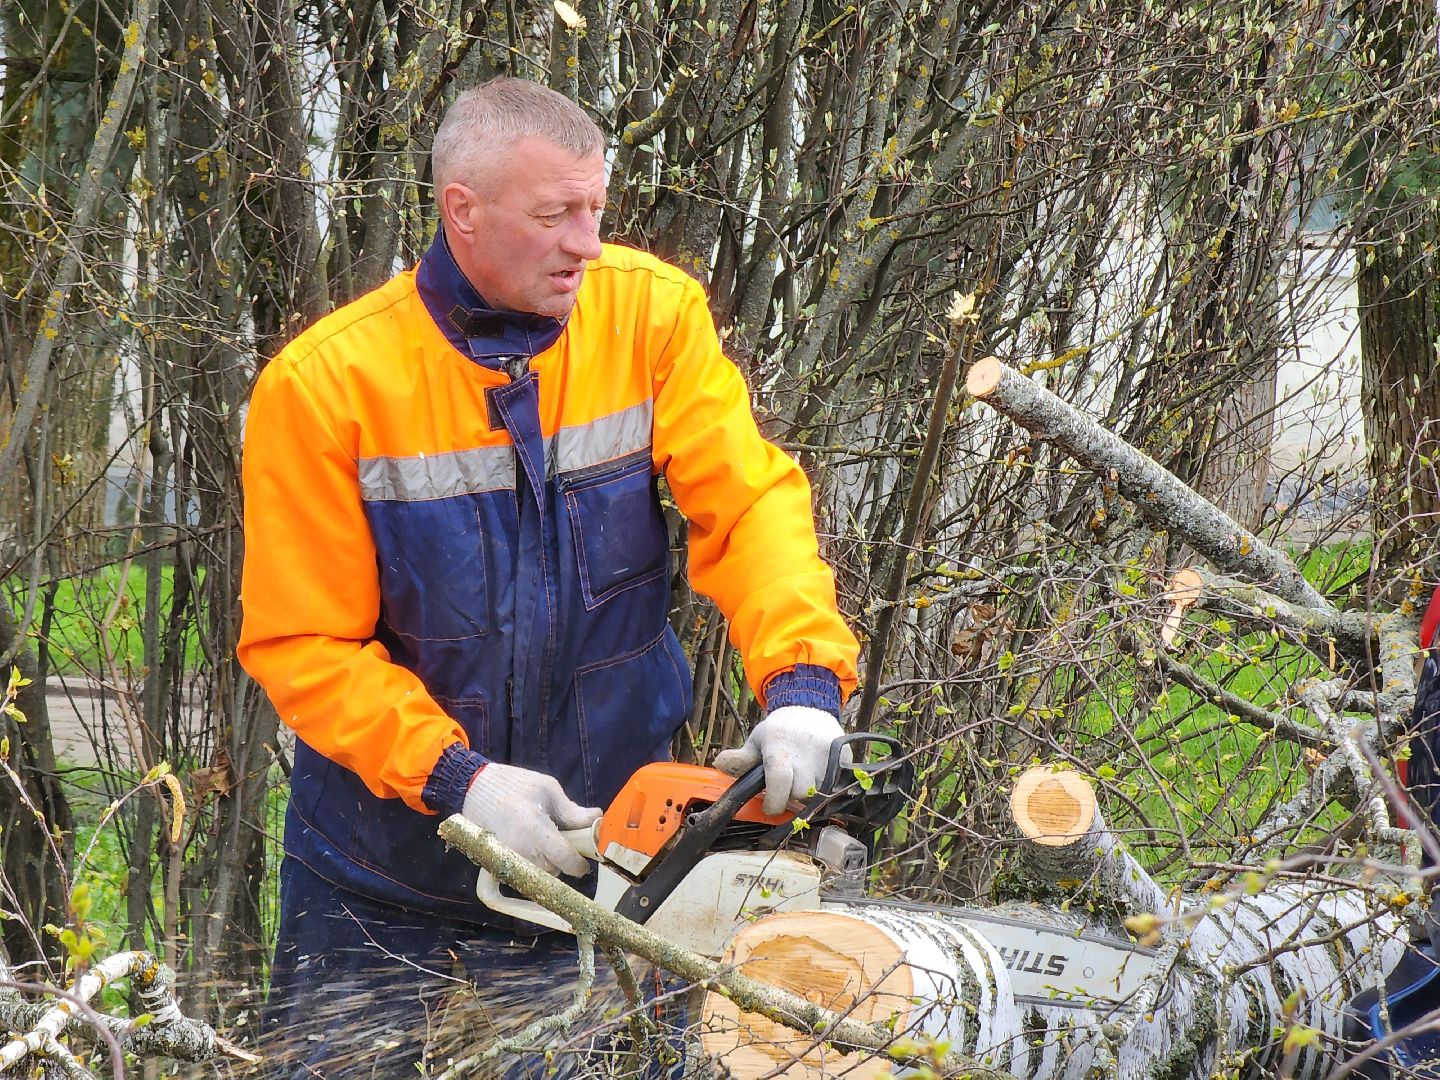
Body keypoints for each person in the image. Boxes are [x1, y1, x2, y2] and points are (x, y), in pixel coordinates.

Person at [238, 77, 859, 1076]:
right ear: (463, 212)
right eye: (554, 214)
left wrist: (803, 690)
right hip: (376, 873)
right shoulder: (327, 387)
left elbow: (749, 507)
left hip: (609, 861)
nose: (585, 241)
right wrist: (460, 781)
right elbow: (303, 643)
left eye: (595, 210)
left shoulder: (648, 319)